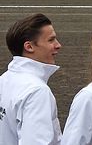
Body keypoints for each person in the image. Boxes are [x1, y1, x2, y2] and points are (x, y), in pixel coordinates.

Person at [0, 13, 63, 145]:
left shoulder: (4, 80)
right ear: (29, 47)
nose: (58, 45)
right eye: (51, 40)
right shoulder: (37, 92)